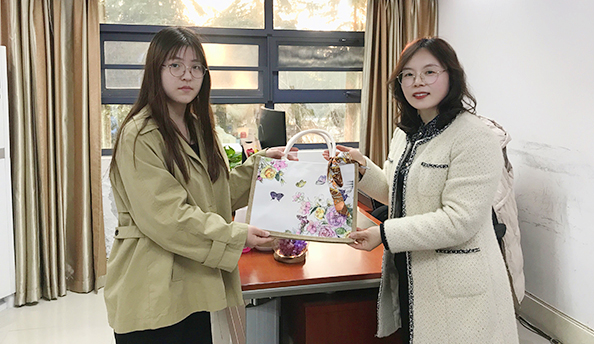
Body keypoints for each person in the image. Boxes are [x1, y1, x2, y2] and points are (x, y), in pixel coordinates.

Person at [104, 26, 296, 344]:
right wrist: (237, 236)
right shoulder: (140, 135)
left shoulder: (198, 127)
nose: (187, 75)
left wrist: (262, 166)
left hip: (194, 283)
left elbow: (216, 194)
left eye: (196, 67)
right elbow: (168, 218)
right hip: (155, 290)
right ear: (155, 70)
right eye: (175, 65)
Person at [328, 38, 519, 343]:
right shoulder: (406, 133)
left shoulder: (475, 137)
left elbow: (459, 221)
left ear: (451, 76)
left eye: (429, 72)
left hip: (459, 285)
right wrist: (362, 168)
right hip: (412, 272)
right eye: (408, 74)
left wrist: (383, 234)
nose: (418, 82)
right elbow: (398, 193)